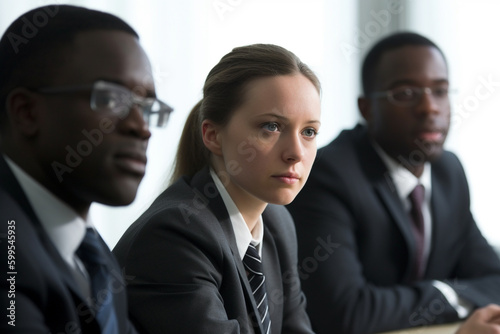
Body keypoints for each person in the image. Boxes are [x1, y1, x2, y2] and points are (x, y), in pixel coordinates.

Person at [287, 31, 500, 334]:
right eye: (406, 94)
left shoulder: (448, 172)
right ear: (367, 109)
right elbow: (346, 313)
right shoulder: (327, 174)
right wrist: (448, 295)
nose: (430, 108)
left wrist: (434, 300)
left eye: (440, 91)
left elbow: (494, 281)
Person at [113, 43, 321, 333]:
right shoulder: (176, 234)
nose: (296, 152)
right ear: (212, 136)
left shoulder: (277, 224)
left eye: (309, 131)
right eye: (271, 127)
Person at [0, 4, 172, 333]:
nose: (141, 127)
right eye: (111, 99)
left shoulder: (92, 254)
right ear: (26, 112)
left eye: (147, 108)